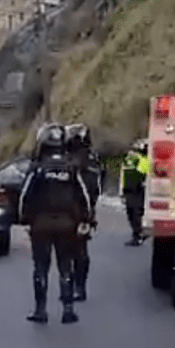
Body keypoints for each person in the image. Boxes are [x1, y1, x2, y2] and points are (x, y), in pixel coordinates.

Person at [18, 123, 93, 324]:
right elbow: (82, 196)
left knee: (40, 268)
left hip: (41, 225)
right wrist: (85, 219)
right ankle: (68, 310)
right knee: (65, 267)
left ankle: (40, 311)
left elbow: (26, 195)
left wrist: (25, 220)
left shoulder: (37, 169)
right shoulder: (71, 168)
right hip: (66, 225)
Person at [64, 123, 101, 301]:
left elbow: (93, 187)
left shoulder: (75, 160)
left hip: (73, 210)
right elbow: (97, 188)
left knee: (73, 252)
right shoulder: (90, 159)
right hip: (82, 210)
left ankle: (73, 286)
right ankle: (77, 286)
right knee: (79, 251)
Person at [121, 138, 150, 246]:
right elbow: (125, 173)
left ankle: (138, 234)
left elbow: (143, 173)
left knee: (135, 213)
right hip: (132, 188)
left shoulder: (141, 159)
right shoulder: (138, 158)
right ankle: (138, 233)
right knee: (133, 213)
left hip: (136, 189)